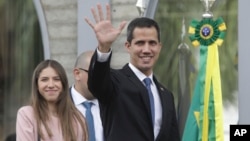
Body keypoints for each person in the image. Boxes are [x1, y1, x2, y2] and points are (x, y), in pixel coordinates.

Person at [84, 3, 180, 141]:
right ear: (128, 46)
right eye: (140, 43)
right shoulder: (114, 82)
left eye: (152, 43)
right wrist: (104, 47)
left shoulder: (166, 96)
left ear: (159, 47)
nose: (146, 50)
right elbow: (96, 84)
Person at [16, 60, 88, 141]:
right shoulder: (27, 115)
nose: (51, 85)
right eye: (44, 79)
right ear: (37, 85)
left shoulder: (77, 118)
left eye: (56, 79)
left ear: (63, 84)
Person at [70, 51, 104, 141]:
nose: (101, 79)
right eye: (95, 73)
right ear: (77, 74)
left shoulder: (112, 104)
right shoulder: (58, 103)